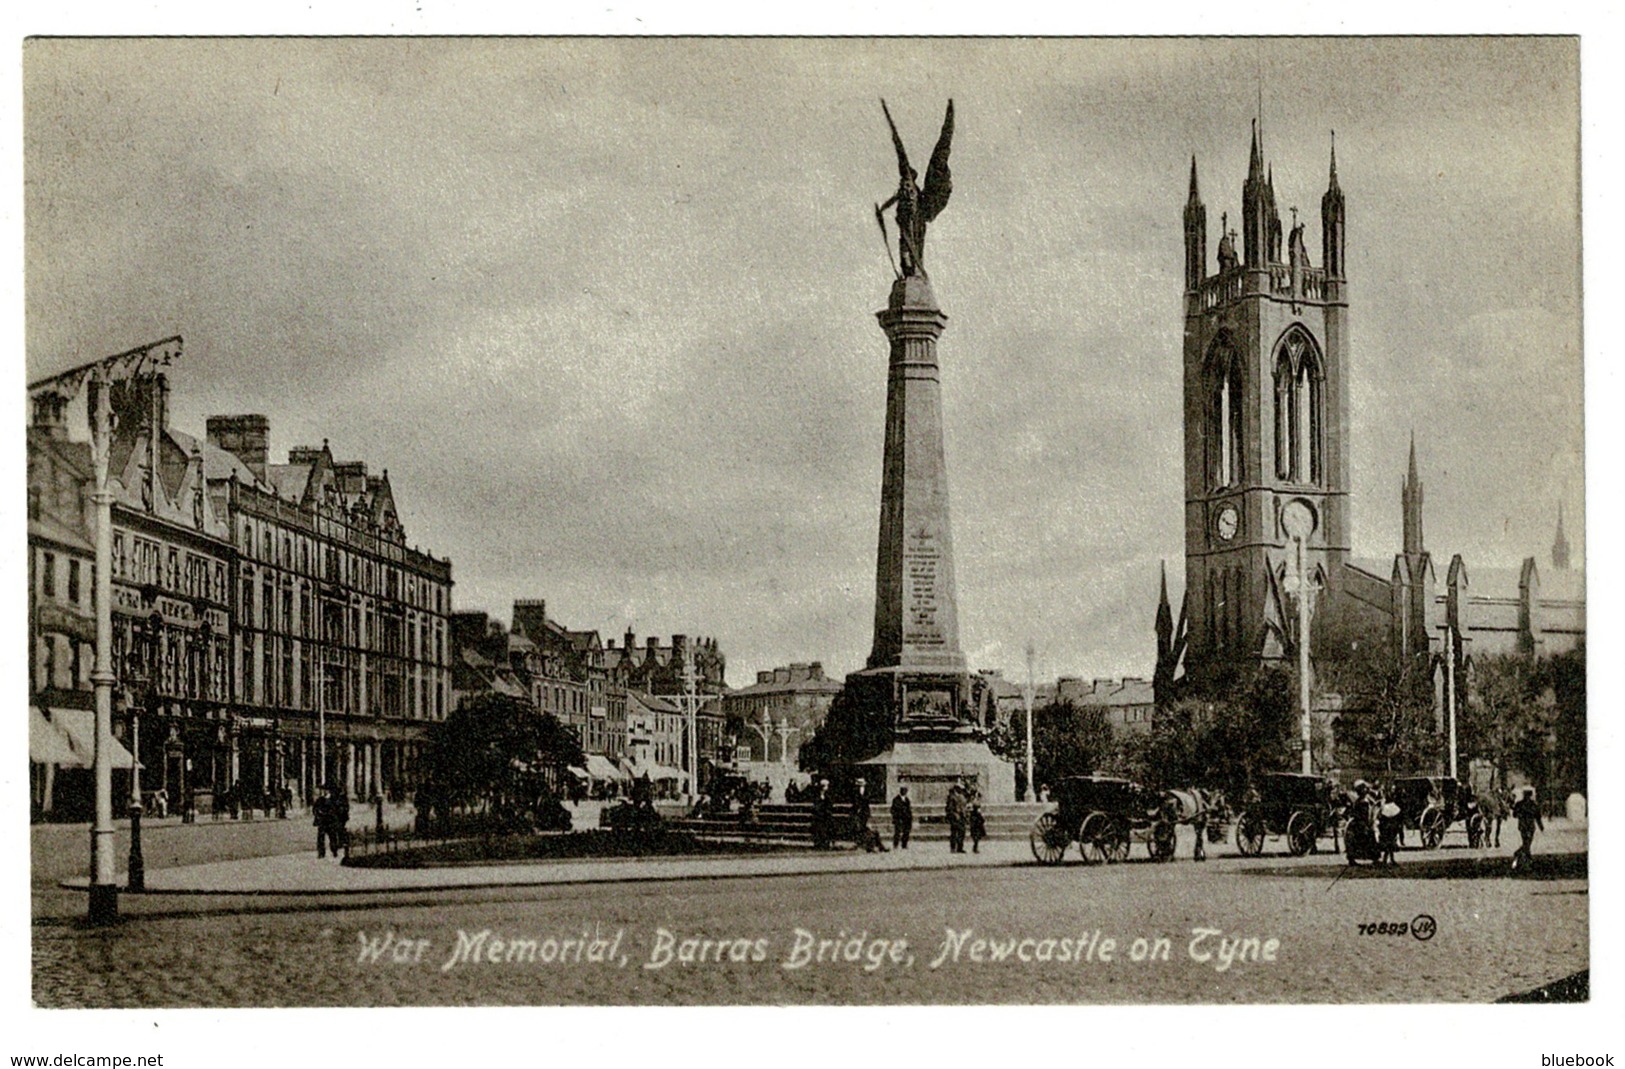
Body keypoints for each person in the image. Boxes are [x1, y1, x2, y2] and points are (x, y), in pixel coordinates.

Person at [1511, 786, 1544, 872]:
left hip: (1523, 826)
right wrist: (1541, 827)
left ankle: (1522, 858)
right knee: (1527, 843)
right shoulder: (1533, 804)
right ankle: (1525, 860)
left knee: (1526, 843)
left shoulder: (1519, 804)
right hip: (1528, 826)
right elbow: (1537, 817)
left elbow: (1514, 815)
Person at [852, 778, 886, 852]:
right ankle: (873, 847)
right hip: (858, 814)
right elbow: (855, 802)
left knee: (870, 830)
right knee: (868, 831)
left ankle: (879, 846)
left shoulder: (867, 791)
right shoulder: (855, 792)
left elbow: (867, 799)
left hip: (865, 812)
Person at [810, 778, 834, 849]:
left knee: (826, 829)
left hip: (826, 816)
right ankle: (819, 843)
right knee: (818, 829)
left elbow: (830, 805)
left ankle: (825, 843)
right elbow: (816, 805)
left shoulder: (828, 796)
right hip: (819, 816)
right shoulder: (817, 796)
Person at [945, 783, 968, 854]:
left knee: (962, 832)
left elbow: (964, 805)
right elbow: (949, 808)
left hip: (962, 816)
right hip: (955, 817)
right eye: (959, 788)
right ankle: (953, 847)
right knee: (954, 832)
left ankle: (960, 847)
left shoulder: (962, 796)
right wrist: (954, 814)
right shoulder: (952, 797)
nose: (961, 790)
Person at [890, 785, 914, 850]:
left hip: (906, 818)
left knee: (906, 832)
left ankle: (904, 844)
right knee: (897, 832)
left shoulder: (907, 800)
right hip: (898, 818)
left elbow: (909, 809)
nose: (904, 792)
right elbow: (893, 809)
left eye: (905, 791)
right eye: (903, 790)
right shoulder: (896, 799)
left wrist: (910, 817)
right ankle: (896, 844)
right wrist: (896, 816)